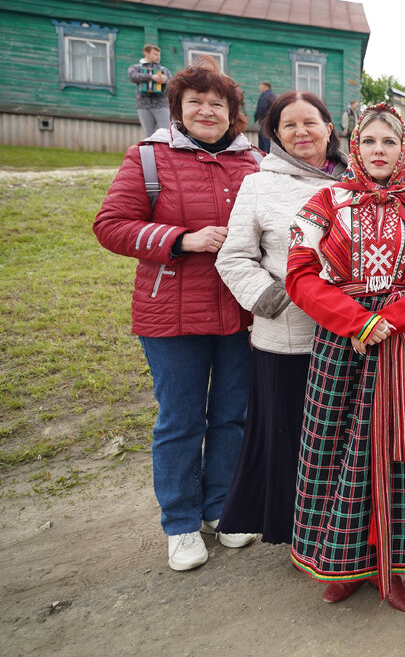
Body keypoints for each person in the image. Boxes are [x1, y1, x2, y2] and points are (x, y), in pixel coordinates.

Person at [285, 103, 405, 611]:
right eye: (371, 142)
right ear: (355, 146)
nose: (380, 151)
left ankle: (392, 570)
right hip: (343, 347)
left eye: (391, 142)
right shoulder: (325, 202)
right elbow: (299, 275)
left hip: (404, 347)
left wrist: (392, 319)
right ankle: (343, 564)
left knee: (397, 454)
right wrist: (359, 321)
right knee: (338, 455)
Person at [95, 58, 261, 571]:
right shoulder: (148, 158)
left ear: (233, 112)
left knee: (232, 416)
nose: (207, 112)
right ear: (178, 110)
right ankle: (182, 522)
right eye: (196, 103)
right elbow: (111, 225)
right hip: (171, 312)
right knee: (181, 419)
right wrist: (180, 240)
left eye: (218, 104)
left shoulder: (251, 163)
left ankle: (220, 510)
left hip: (239, 309)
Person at [214, 92, 347, 544]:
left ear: (330, 128)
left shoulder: (359, 183)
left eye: (310, 122)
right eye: (288, 126)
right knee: (293, 440)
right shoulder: (259, 185)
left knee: (345, 440)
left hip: (352, 339)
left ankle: (345, 529)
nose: (301, 132)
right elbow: (233, 257)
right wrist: (276, 297)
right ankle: (300, 534)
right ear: (274, 135)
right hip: (290, 338)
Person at [128, 44, 172, 137]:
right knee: (149, 134)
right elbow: (133, 76)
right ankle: (152, 151)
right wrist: (151, 77)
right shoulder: (137, 68)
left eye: (159, 55)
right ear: (146, 53)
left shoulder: (164, 70)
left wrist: (166, 80)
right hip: (143, 104)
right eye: (155, 54)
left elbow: (173, 85)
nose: (158, 57)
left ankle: (166, 151)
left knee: (167, 132)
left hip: (161, 104)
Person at [253, 81, 277, 152]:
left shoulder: (265, 95)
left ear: (266, 87)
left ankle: (264, 155)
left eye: (261, 86)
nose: (260, 88)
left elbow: (262, 107)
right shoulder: (272, 95)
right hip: (269, 120)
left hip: (264, 119)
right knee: (267, 138)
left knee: (264, 139)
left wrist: (257, 117)